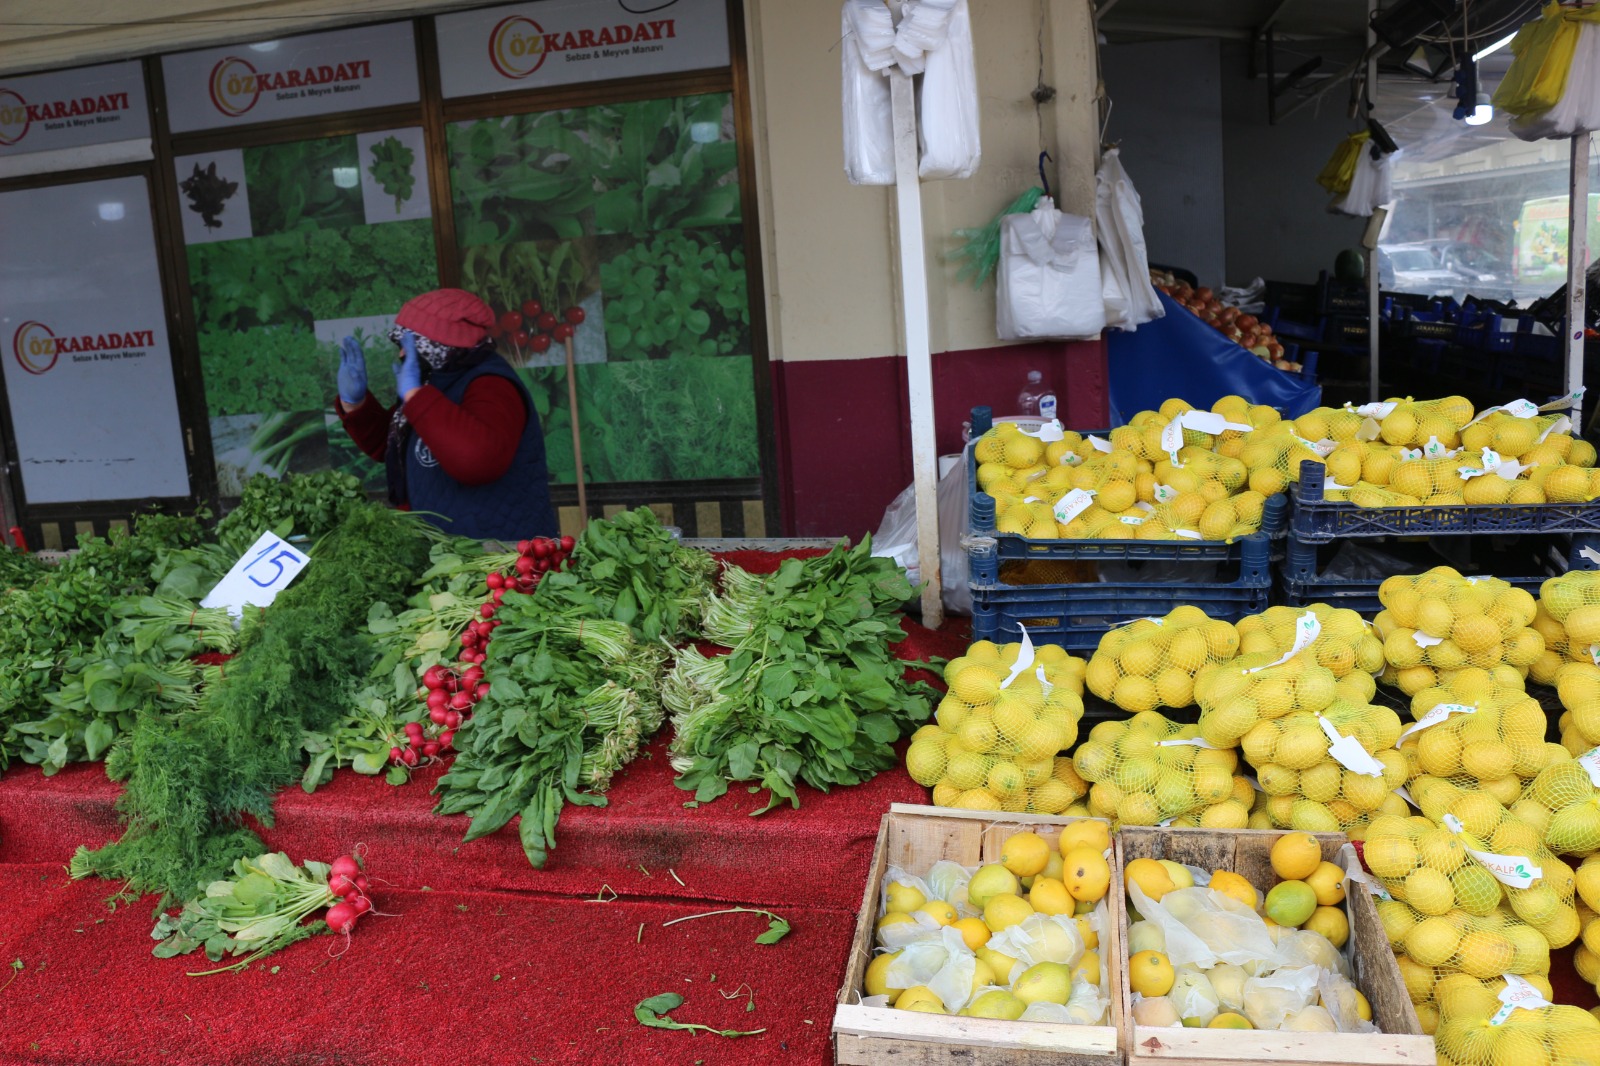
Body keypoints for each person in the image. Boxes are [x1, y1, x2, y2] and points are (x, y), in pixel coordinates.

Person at [334, 288, 556, 540]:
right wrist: (355, 403)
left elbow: (478, 462)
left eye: (409, 344)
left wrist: (417, 398)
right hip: (446, 552)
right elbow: (390, 447)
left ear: (440, 343)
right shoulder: (434, 382)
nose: (401, 353)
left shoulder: (492, 384)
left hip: (499, 555)